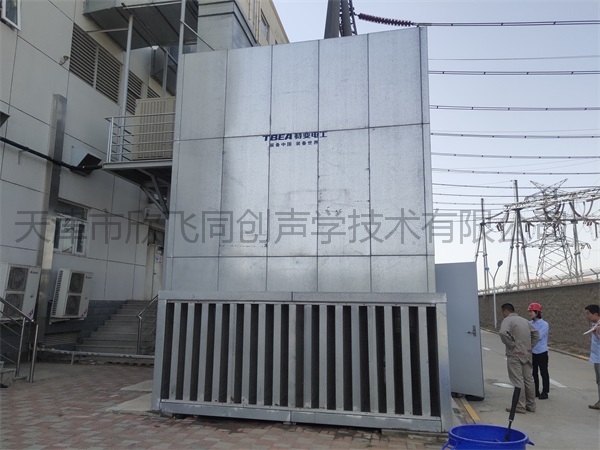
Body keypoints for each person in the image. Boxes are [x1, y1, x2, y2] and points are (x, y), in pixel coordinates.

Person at [499, 303, 540, 413]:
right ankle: (531, 405)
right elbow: (536, 334)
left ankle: (520, 406)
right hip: (527, 354)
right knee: (528, 379)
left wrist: (511, 344)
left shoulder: (508, 320)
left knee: (518, 380)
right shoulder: (524, 321)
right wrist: (530, 346)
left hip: (515, 355)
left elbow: (502, 333)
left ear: (505, 311)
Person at [528, 302, 550, 399]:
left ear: (537, 312)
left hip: (542, 352)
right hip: (532, 351)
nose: (530, 313)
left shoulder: (544, 324)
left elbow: (538, 336)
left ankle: (545, 391)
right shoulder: (529, 323)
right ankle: (535, 391)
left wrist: (530, 336)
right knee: (533, 373)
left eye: (531, 311)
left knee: (543, 372)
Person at [584, 304, 600, 410]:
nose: (587, 316)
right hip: (596, 356)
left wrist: (597, 334)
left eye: (588, 314)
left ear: (596, 314)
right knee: (598, 380)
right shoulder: (595, 324)